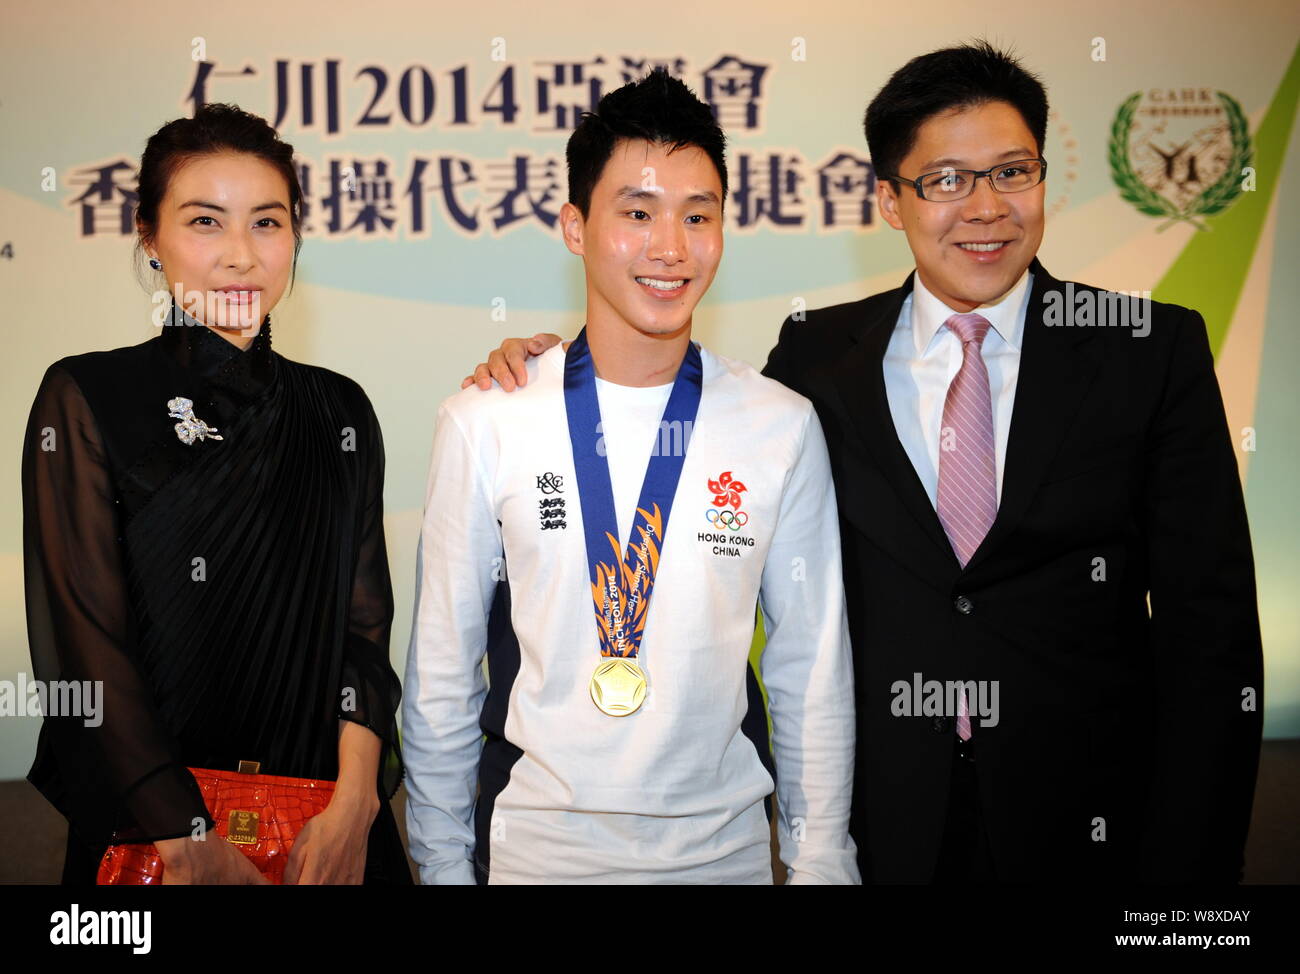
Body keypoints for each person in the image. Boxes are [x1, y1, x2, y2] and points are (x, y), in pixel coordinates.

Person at [462, 42, 1264, 883]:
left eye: (1012, 172)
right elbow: (683, 431)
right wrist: (555, 369)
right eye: (946, 179)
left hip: (1096, 829)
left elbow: (1210, 639)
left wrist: (1193, 879)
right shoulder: (817, 362)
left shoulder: (1148, 351)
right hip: (886, 831)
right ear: (890, 198)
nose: (984, 207)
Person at [401, 69, 858, 884]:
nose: (671, 247)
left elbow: (809, 671)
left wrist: (822, 862)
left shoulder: (779, 426)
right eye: (637, 213)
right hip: (535, 856)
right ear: (576, 227)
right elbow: (442, 673)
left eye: (698, 215)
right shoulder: (487, 419)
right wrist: (440, 866)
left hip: (727, 858)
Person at [22, 103, 410, 885]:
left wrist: (356, 806)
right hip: (153, 843)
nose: (241, 255)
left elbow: (364, 631)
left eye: (267, 223)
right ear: (149, 236)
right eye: (206, 222)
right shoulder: (89, 396)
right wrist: (186, 838)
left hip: (324, 838)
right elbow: (83, 647)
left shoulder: (340, 409)